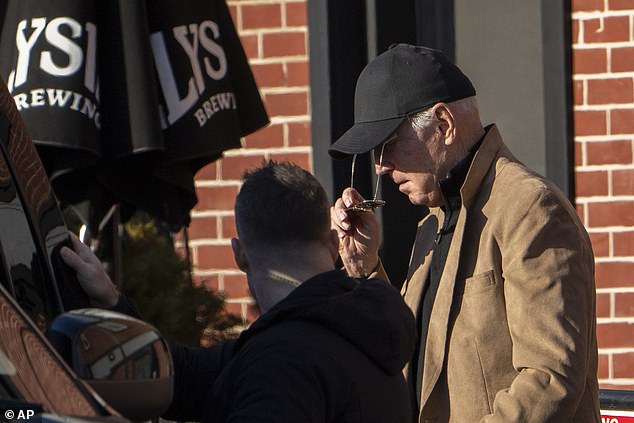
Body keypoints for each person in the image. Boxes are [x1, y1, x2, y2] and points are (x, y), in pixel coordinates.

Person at [330, 43, 600, 423]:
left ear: (443, 125)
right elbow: (403, 360)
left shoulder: (530, 208)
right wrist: (365, 268)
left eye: (388, 144)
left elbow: (550, 380)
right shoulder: (432, 224)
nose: (380, 167)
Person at [61, 160, 417, 422]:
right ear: (331, 241)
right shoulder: (361, 329)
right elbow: (184, 375)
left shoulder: (283, 364)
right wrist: (111, 299)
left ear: (239, 253)